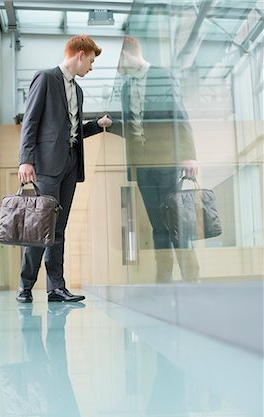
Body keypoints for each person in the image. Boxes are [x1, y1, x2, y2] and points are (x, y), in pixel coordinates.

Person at [16, 35, 112, 304]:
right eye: (91, 62)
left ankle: (56, 287)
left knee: (58, 230)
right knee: (39, 228)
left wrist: (97, 125)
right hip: (46, 166)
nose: (91, 68)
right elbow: (30, 121)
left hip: (70, 165)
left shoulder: (77, 91)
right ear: (80, 54)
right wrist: (26, 159)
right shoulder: (46, 78)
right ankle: (25, 286)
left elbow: (73, 132)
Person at [114, 36, 199, 282]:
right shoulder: (126, 88)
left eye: (117, 61)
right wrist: (111, 124)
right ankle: (164, 278)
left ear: (126, 55)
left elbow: (179, 115)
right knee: (157, 226)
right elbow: (133, 126)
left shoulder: (162, 75)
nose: (117, 69)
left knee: (176, 224)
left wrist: (189, 155)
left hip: (167, 162)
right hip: (143, 167)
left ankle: (191, 278)